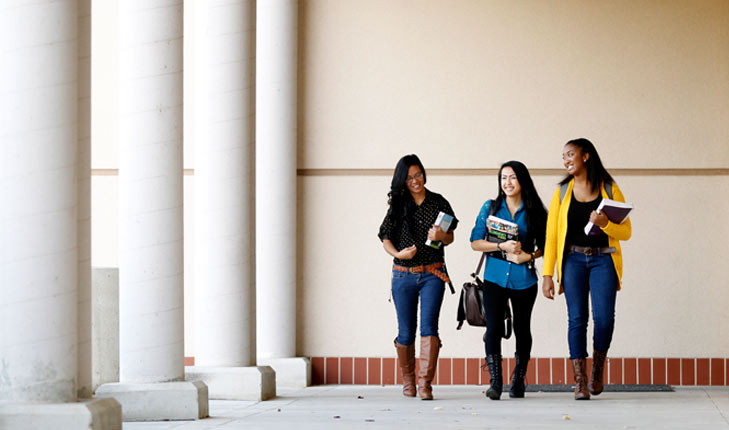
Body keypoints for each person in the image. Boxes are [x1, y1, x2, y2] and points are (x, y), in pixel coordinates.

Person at [542, 138, 632, 400]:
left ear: (586, 156)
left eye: (570, 154)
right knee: (577, 319)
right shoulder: (561, 193)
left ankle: (597, 371)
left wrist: (605, 224)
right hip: (573, 261)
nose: (566, 160)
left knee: (604, 319)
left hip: (604, 260)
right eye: (563, 157)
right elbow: (552, 237)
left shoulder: (609, 189)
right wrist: (548, 274)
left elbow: (625, 231)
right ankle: (580, 382)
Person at [378, 154, 458, 400]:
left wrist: (440, 237)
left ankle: (425, 384)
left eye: (418, 175)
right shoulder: (398, 206)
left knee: (429, 328)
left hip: (433, 273)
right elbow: (385, 238)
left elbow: (451, 235)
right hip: (403, 275)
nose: (415, 181)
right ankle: (408, 382)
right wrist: (398, 254)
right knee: (405, 332)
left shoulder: (438, 202)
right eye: (410, 177)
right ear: (402, 181)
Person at [469, 161, 547, 400]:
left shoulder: (535, 210)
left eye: (513, 177)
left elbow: (545, 247)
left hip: (524, 280)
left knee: (522, 330)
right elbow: (475, 242)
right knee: (493, 328)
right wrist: (500, 245)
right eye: (503, 178)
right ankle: (495, 382)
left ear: (522, 180)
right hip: (494, 278)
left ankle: (518, 380)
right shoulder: (491, 207)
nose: (508, 183)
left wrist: (529, 255)